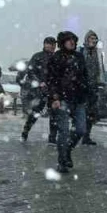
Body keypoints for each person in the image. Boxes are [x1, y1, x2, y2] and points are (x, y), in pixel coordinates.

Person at [45, 30, 88, 173]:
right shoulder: (56, 58)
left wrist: (86, 94)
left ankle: (67, 150)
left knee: (80, 130)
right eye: (68, 40)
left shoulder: (79, 57)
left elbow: (84, 77)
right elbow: (51, 80)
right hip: (62, 99)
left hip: (78, 99)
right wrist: (55, 98)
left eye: (73, 40)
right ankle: (62, 161)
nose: (72, 42)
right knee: (63, 131)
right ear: (63, 42)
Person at [20, 36, 58, 144]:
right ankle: (25, 131)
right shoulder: (37, 56)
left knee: (54, 113)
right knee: (36, 112)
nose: (52, 46)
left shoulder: (56, 57)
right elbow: (31, 71)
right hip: (39, 90)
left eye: (54, 44)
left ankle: (52, 137)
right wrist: (40, 82)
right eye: (50, 44)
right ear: (45, 44)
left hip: (53, 89)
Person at [78, 30, 106, 145]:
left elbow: (101, 68)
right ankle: (76, 134)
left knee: (91, 113)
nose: (93, 41)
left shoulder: (98, 53)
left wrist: (102, 82)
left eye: (95, 39)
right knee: (80, 112)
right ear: (86, 39)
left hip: (93, 86)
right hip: (81, 87)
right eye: (91, 38)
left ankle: (86, 136)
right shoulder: (80, 52)